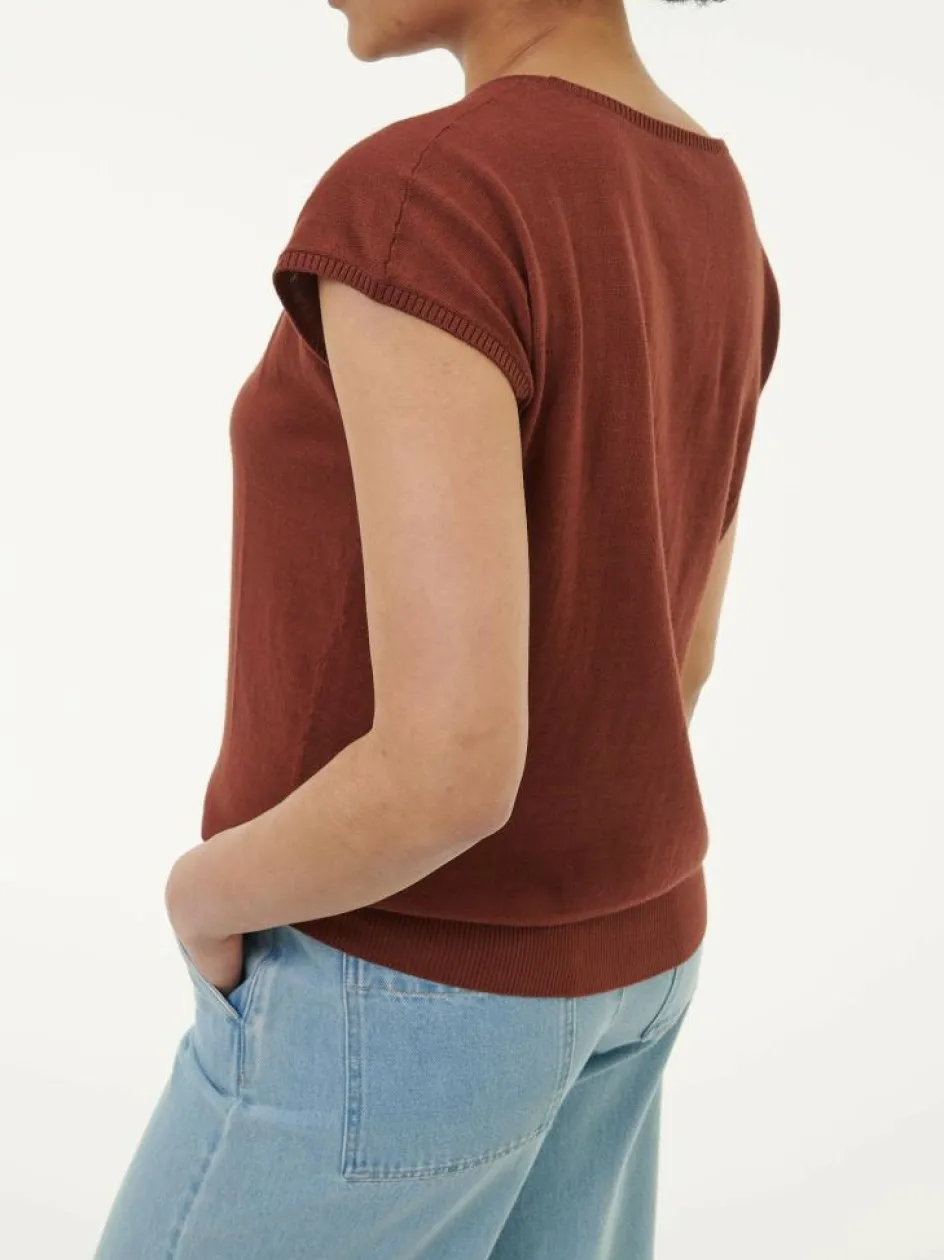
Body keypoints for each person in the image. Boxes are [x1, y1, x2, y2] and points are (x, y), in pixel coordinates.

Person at [92, 0, 781, 1256]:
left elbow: (448, 769)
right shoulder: (711, 197)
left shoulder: (428, 195)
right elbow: (676, 663)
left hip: (396, 987)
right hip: (634, 969)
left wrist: (204, 890)